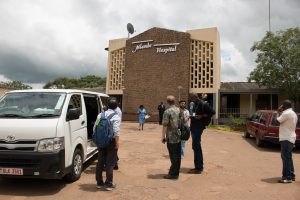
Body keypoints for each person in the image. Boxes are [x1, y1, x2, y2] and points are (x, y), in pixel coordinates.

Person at [94, 98, 121, 191]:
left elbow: (95, 127)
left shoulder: (100, 115)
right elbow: (116, 131)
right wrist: (117, 143)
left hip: (101, 141)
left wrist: (98, 138)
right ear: (116, 106)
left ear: (108, 106)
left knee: (100, 162)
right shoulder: (116, 116)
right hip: (111, 142)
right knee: (110, 163)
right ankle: (108, 183)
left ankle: (99, 182)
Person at [188, 92, 215, 174]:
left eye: (192, 97)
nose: (191, 99)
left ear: (195, 96)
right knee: (195, 146)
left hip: (199, 127)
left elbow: (212, 112)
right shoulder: (194, 103)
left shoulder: (203, 104)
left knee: (196, 146)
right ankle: (198, 166)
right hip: (194, 126)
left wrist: (201, 116)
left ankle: (199, 168)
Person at [276, 100, 297, 183]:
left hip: (286, 138)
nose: (282, 106)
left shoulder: (286, 113)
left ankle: (287, 177)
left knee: (285, 158)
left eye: (282, 105)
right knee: (289, 158)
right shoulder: (293, 113)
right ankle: (291, 175)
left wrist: (278, 112)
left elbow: (277, 121)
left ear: (285, 106)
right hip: (291, 138)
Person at [161, 95, 181, 179]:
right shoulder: (179, 110)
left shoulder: (167, 111)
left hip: (171, 136)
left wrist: (163, 137)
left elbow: (165, 125)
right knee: (178, 155)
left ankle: (173, 174)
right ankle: (176, 172)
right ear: (174, 101)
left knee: (173, 155)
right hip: (178, 135)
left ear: (167, 101)